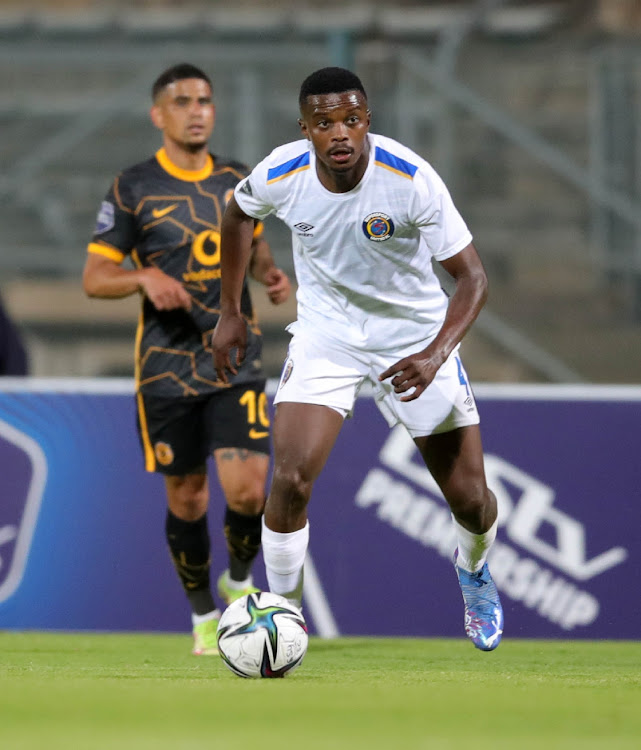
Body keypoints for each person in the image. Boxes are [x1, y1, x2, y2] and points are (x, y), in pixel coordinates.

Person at [212, 66, 503, 651]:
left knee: (470, 500)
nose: (340, 132)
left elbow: (472, 278)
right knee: (290, 478)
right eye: (325, 123)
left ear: (367, 120)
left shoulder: (410, 178)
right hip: (327, 335)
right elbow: (238, 212)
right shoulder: (283, 172)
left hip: (415, 336)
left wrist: (435, 352)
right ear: (306, 130)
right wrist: (231, 310)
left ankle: (473, 572)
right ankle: (283, 617)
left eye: (352, 119)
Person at [82, 63, 291, 655]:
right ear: (159, 114)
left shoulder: (238, 178)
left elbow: (252, 242)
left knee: (250, 490)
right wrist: (144, 276)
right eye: (183, 101)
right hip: (166, 366)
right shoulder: (134, 187)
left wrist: (268, 273)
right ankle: (203, 614)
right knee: (190, 498)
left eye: (205, 99)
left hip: (233, 356)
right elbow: (95, 278)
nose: (197, 109)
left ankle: (242, 586)